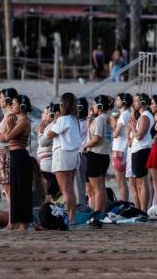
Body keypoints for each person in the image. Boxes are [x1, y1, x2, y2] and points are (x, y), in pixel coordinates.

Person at [47, 92, 83, 224]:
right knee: (70, 187)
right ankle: (72, 217)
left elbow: (50, 135)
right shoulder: (74, 119)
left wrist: (53, 121)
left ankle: (68, 217)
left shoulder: (63, 119)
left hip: (63, 153)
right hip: (73, 154)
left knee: (65, 189)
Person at [5, 94, 34, 231]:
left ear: (22, 106)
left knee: (22, 190)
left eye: (14, 104)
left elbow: (7, 137)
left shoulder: (24, 122)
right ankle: (14, 221)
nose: (12, 107)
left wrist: (9, 125)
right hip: (15, 155)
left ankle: (24, 223)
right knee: (15, 190)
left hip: (20, 156)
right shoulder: (19, 121)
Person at [82, 95, 112, 218]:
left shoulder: (100, 119)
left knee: (97, 188)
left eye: (94, 104)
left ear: (99, 106)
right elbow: (92, 132)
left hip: (96, 154)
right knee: (101, 187)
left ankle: (97, 214)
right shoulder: (106, 118)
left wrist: (84, 147)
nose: (92, 107)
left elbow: (96, 138)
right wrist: (90, 117)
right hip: (103, 155)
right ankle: (101, 212)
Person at [128, 93, 155, 213]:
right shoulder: (143, 116)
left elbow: (139, 136)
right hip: (138, 150)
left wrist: (133, 127)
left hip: (141, 150)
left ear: (143, 103)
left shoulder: (145, 116)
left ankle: (144, 210)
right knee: (140, 182)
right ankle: (141, 209)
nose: (134, 103)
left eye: (136, 101)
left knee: (143, 182)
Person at [110, 93, 132, 204]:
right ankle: (125, 202)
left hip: (119, 150)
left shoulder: (123, 115)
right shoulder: (128, 114)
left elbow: (115, 134)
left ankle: (124, 203)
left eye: (117, 100)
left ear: (123, 102)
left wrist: (113, 124)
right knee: (123, 180)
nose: (115, 102)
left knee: (121, 181)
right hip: (123, 149)